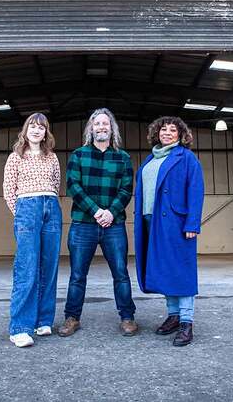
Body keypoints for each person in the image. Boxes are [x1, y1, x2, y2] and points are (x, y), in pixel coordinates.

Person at [58, 108, 138, 337]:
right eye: (97, 124)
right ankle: (72, 318)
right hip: (83, 224)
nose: (102, 127)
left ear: (112, 128)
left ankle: (127, 317)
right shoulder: (79, 155)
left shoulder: (122, 158)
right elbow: (74, 187)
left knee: (121, 273)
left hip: (114, 225)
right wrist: (96, 212)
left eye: (106, 123)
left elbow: (126, 190)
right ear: (90, 129)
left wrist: (111, 212)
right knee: (77, 275)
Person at [134, 116, 204, 346]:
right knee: (165, 270)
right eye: (163, 129)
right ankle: (173, 315)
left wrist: (192, 223)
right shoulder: (150, 159)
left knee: (180, 270)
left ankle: (186, 322)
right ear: (156, 133)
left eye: (173, 130)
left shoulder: (186, 158)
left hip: (175, 222)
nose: (167, 133)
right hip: (149, 221)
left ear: (181, 134)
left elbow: (195, 190)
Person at [2, 113, 62, 348]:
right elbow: (9, 190)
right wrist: (22, 214)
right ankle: (20, 328)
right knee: (27, 266)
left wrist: (47, 204)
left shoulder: (52, 157)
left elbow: (56, 184)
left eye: (41, 127)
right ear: (25, 130)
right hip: (27, 207)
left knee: (49, 265)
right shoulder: (15, 157)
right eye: (33, 126)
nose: (37, 130)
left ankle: (43, 320)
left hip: (51, 207)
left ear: (46, 132)